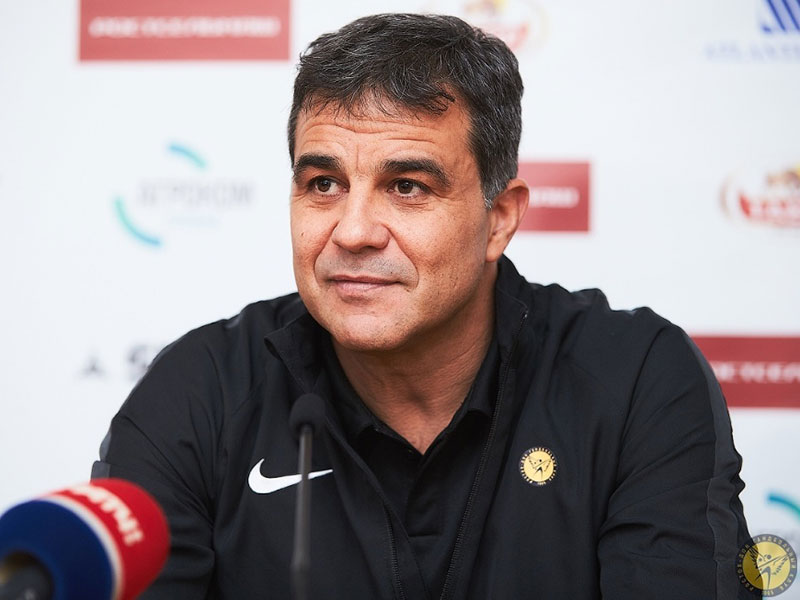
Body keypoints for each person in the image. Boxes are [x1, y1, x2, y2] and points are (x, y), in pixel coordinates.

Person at [92, 13, 751, 599]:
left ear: (499, 218)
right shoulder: (199, 392)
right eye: (323, 184)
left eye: (406, 187)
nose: (353, 232)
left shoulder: (634, 381)